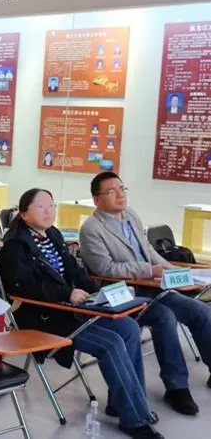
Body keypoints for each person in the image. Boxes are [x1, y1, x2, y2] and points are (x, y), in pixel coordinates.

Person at [0, 189, 164, 439]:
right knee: (111, 343)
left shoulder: (52, 235)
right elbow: (23, 287)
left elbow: (74, 271)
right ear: (23, 214)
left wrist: (96, 292)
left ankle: (122, 403)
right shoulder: (14, 247)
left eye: (51, 206)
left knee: (129, 328)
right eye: (41, 207)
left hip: (72, 310)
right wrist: (67, 293)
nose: (49, 211)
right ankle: (134, 418)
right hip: (44, 319)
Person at [80, 171, 211, 414]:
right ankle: (177, 387)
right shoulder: (91, 229)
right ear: (97, 199)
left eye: (122, 189)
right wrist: (150, 271)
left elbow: (148, 250)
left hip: (154, 285)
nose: (120, 195)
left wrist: (173, 271)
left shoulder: (130, 215)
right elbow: (105, 269)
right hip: (126, 291)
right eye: (112, 191)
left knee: (199, 310)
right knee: (165, 317)